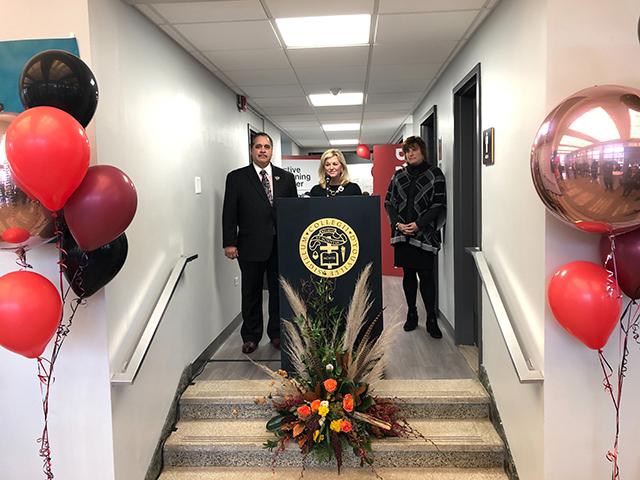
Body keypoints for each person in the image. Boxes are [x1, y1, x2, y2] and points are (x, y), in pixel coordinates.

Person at [222, 132, 298, 354]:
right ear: (251, 150)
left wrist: (293, 241)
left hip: (280, 245)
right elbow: (229, 212)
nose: (263, 150)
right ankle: (251, 336)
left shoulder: (285, 178)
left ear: (272, 150)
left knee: (278, 292)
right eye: (258, 146)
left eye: (266, 146)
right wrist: (229, 242)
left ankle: (276, 334)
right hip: (249, 245)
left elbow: (293, 213)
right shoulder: (236, 178)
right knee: (251, 292)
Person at [384, 136, 446, 338]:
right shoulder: (398, 176)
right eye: (407, 151)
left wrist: (418, 224)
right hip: (402, 235)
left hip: (425, 235)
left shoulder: (435, 174)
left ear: (422, 151)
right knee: (408, 275)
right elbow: (389, 202)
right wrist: (397, 223)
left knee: (426, 276)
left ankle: (431, 319)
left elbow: (438, 204)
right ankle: (412, 314)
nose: (410, 154)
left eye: (414, 150)